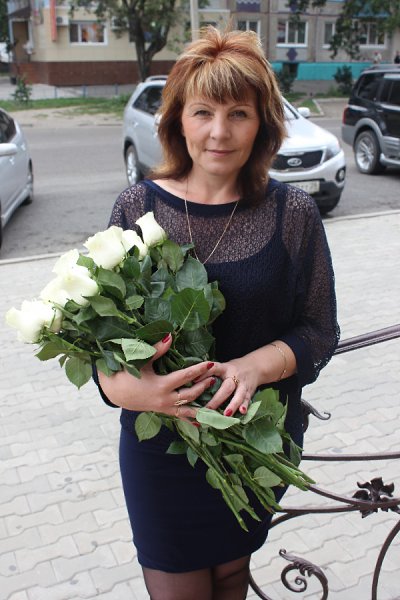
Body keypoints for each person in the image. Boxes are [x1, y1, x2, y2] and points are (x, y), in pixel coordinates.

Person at [93, 26, 339, 600]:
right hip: (162, 451)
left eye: (239, 114)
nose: (220, 132)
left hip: (254, 445)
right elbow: (101, 340)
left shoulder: (292, 213)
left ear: (263, 125)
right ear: (178, 120)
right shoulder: (137, 208)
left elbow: (319, 330)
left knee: (231, 576)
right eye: (203, 112)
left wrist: (255, 366)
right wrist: (132, 392)